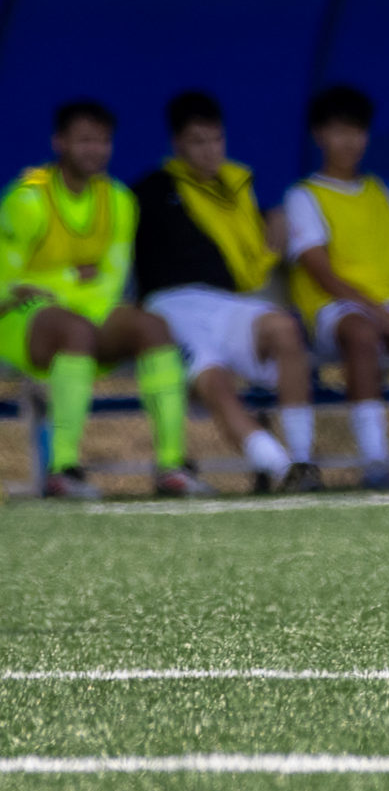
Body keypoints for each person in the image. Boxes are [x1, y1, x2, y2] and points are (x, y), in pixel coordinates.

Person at [0, 101, 206, 498]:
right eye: (85, 140)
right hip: (17, 320)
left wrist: (51, 284)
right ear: (59, 142)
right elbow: (8, 285)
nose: (96, 149)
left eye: (104, 141)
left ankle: (172, 465)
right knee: (74, 332)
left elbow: (110, 280)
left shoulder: (119, 200)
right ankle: (63, 469)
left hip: (87, 312)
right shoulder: (26, 200)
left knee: (152, 327)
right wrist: (68, 280)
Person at [135, 90, 315, 492]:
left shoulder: (237, 185)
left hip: (227, 304)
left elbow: (249, 272)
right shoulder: (149, 191)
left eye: (216, 139)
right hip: (170, 307)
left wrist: (272, 245)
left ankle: (304, 459)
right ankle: (279, 466)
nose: (210, 151)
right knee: (213, 382)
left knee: (285, 329)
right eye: (198, 142)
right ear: (177, 144)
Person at [282, 85, 389, 491]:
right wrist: (381, 314)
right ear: (319, 136)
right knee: (361, 333)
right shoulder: (303, 196)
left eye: (357, 131)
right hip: (334, 310)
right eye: (339, 132)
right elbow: (322, 273)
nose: (350, 142)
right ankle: (376, 462)